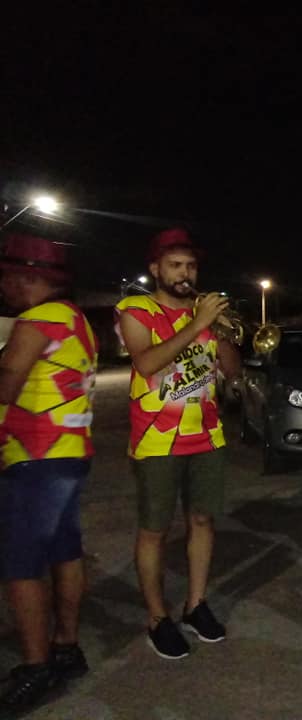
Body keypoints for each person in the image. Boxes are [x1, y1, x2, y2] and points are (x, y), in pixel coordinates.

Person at [115, 228, 241, 659]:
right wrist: (199, 323)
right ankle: (157, 617)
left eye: (190, 266)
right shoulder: (137, 310)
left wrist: (223, 335)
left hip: (207, 433)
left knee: (202, 521)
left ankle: (195, 604)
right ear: (155, 269)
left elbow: (231, 367)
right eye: (175, 265)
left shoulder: (205, 313)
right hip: (157, 439)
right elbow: (147, 362)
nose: (185, 273)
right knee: (155, 529)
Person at [0, 234, 97, 714]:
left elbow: (6, 386)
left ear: (27, 278)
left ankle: (36, 667)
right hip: (69, 452)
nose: (4, 286)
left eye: (7, 277)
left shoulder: (37, 320)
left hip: (35, 455)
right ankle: (66, 646)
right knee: (64, 551)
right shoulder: (76, 319)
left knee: (20, 564)